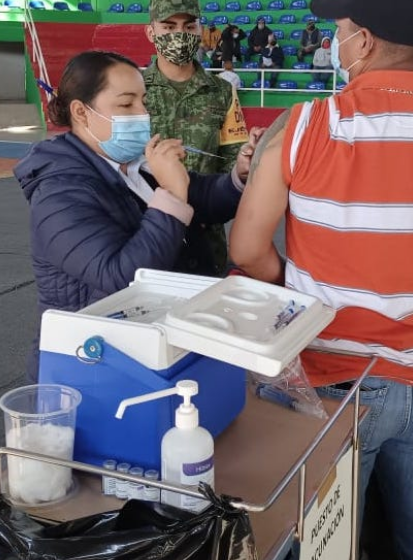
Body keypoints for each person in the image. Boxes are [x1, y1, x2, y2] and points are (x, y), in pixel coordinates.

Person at [228, 0, 413, 557]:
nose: (335, 41)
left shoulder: (306, 125)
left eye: (340, 31)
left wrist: (301, 291)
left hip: (330, 380)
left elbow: (246, 249)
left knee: (320, 535)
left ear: (364, 40)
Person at [15, 51, 262, 380]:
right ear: (81, 112)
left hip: (151, 344)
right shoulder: (60, 191)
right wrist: (172, 192)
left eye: (143, 102)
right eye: (126, 104)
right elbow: (122, 277)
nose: (142, 114)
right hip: (93, 363)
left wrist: (241, 175)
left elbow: (202, 196)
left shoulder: (132, 166)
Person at [143, 0, 251, 276]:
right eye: (168, 26)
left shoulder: (222, 92)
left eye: (189, 26)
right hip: (145, 231)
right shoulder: (133, 89)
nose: (180, 34)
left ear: (200, 30)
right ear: (151, 32)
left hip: (207, 236)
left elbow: (233, 161)